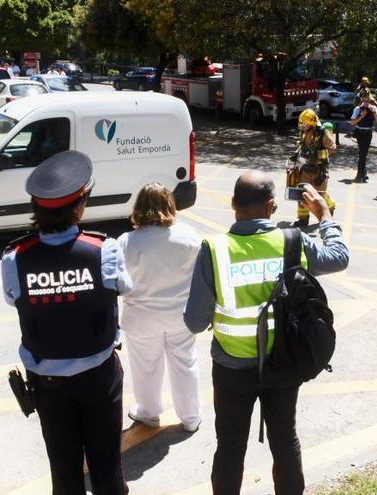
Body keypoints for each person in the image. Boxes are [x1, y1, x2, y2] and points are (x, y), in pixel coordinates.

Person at [184, 171, 350, 495]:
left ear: (232, 204)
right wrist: (325, 216)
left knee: (230, 447)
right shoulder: (291, 241)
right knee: (285, 441)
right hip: (283, 363)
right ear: (272, 206)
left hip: (232, 367)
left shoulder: (214, 249)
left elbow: (193, 322)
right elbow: (339, 258)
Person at [1, 151, 132, 494]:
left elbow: (14, 298)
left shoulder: (15, 257)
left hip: (48, 384)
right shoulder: (104, 249)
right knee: (107, 467)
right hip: (99, 379)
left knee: (63, 468)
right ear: (79, 207)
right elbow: (124, 287)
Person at [117, 184, 202, 433]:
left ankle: (149, 412)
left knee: (146, 366)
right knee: (185, 363)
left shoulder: (127, 241)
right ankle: (190, 417)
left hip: (141, 316)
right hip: (180, 314)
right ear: (170, 205)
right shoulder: (189, 236)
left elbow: (120, 283)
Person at [289, 108, 336, 227]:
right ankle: (303, 219)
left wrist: (318, 155)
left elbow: (332, 148)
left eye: (305, 124)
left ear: (312, 124)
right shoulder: (304, 132)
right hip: (304, 168)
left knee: (320, 195)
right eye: (301, 124)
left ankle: (330, 208)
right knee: (302, 193)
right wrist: (295, 156)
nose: (302, 127)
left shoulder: (322, 133)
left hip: (319, 169)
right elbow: (303, 146)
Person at [349, 98, 377, 183]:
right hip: (360, 132)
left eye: (368, 101)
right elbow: (352, 122)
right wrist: (362, 116)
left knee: (363, 154)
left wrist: (373, 112)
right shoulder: (358, 109)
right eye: (365, 101)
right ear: (362, 100)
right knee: (362, 154)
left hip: (368, 133)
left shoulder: (373, 108)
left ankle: (363, 173)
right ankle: (360, 175)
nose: (366, 103)